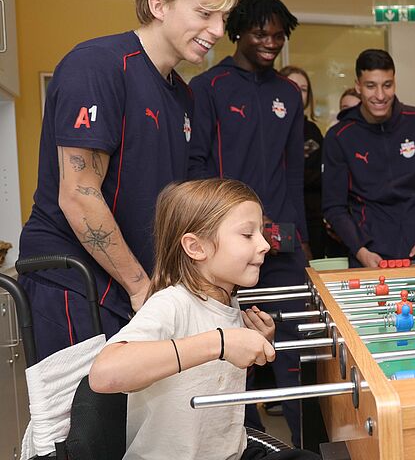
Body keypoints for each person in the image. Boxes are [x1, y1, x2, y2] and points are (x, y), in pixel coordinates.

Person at [17, 0, 240, 362]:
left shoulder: (182, 95)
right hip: (75, 280)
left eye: (223, 17)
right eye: (205, 14)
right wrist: (141, 288)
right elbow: (78, 194)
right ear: (159, 5)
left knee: (133, 419)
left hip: (138, 282)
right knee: (83, 419)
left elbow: (174, 203)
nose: (219, 31)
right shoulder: (97, 66)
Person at [88, 178, 319, 459]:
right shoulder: (171, 303)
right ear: (196, 248)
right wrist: (221, 342)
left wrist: (254, 346)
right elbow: (104, 374)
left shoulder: (228, 302)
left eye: (262, 232)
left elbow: (208, 378)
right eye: (248, 235)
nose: (265, 245)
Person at [188, 0, 306, 446]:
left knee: (293, 354)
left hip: (283, 248)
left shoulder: (288, 93)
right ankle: (246, 448)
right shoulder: (208, 88)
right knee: (238, 363)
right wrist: (211, 234)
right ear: (237, 32)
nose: (270, 42)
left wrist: (303, 242)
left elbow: (293, 171)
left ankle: (305, 446)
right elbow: (196, 167)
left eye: (278, 35)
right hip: (225, 251)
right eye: (261, 33)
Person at [322, 49, 415, 268]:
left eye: (387, 85)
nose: (380, 95)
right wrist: (360, 250)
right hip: (369, 255)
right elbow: (333, 207)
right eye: (371, 86)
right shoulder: (339, 136)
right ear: (358, 86)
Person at [279, 65, 331, 262]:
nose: (297, 93)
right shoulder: (269, 129)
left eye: (303, 89)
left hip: (312, 220)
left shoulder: (312, 132)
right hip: (278, 219)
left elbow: (320, 175)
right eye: (292, 86)